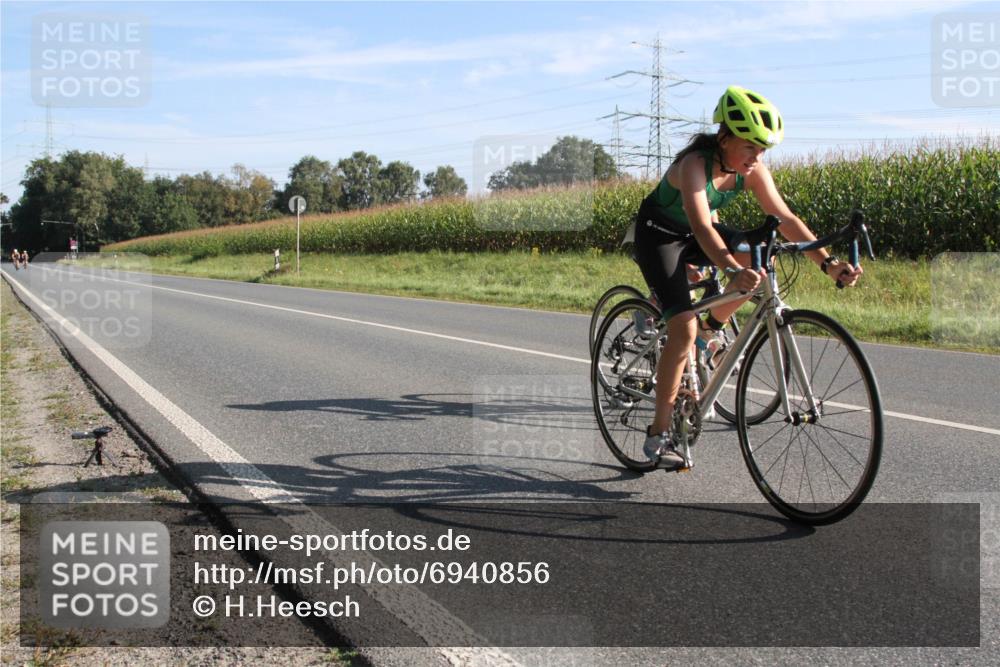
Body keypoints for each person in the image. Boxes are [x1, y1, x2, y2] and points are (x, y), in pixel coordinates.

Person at [632, 85, 862, 468]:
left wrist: (828, 263)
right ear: (724, 138)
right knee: (683, 329)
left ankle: (712, 326)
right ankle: (659, 431)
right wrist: (731, 269)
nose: (757, 157)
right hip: (661, 237)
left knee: (760, 259)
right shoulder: (693, 165)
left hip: (697, 233)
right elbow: (704, 228)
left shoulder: (751, 171)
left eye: (763, 149)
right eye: (750, 147)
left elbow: (787, 219)